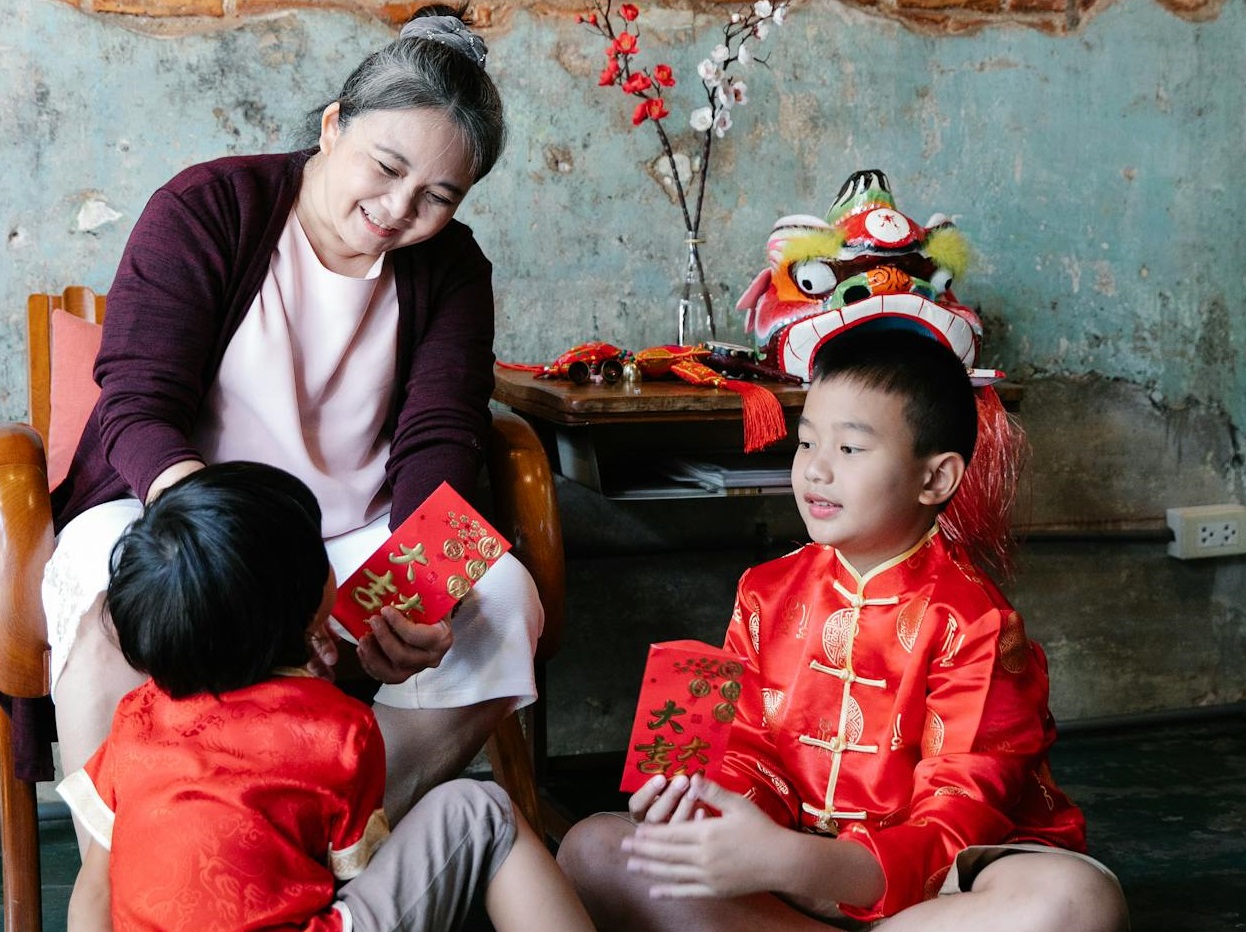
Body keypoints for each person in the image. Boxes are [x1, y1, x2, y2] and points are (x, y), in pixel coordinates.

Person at [43, 2, 538, 842]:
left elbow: (441, 433)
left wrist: (423, 585)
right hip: (175, 500)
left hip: (348, 525)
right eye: (385, 166)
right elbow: (135, 397)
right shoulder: (210, 206)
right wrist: (211, 529)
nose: (398, 208)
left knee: (497, 598)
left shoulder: (452, 268)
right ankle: (122, 871)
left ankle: (317, 841)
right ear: (335, 123)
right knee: (106, 588)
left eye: (437, 197)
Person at [556, 327, 1130, 931]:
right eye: (807, 444)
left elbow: (953, 829)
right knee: (593, 849)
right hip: (788, 873)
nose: (816, 471)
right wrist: (700, 808)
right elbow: (749, 756)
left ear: (935, 478)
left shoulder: (978, 625)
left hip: (936, 890)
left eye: (850, 450)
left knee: (1073, 901)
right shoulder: (764, 591)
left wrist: (792, 861)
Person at [57, 462, 594, 932]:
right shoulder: (340, 732)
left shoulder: (137, 714)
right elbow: (358, 873)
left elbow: (95, 889)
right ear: (313, 598)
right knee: (485, 810)